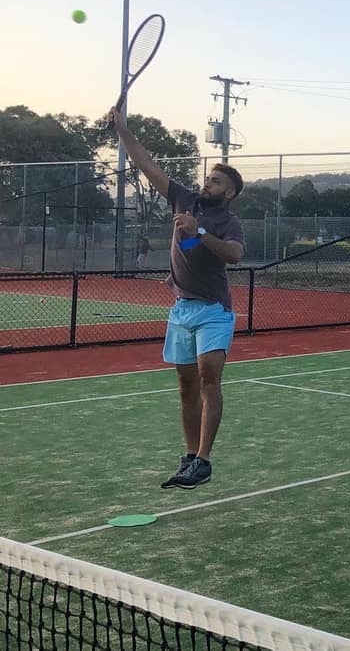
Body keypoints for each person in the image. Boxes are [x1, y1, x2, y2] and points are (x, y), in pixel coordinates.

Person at [111, 107, 245, 488]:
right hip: (181, 311)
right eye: (209, 178)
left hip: (214, 311)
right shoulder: (184, 198)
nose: (208, 183)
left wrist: (199, 230)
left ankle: (204, 460)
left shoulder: (229, 222)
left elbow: (234, 255)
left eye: (216, 181)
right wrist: (123, 131)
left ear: (229, 192)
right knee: (186, 386)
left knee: (208, 380)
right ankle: (189, 457)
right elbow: (146, 164)